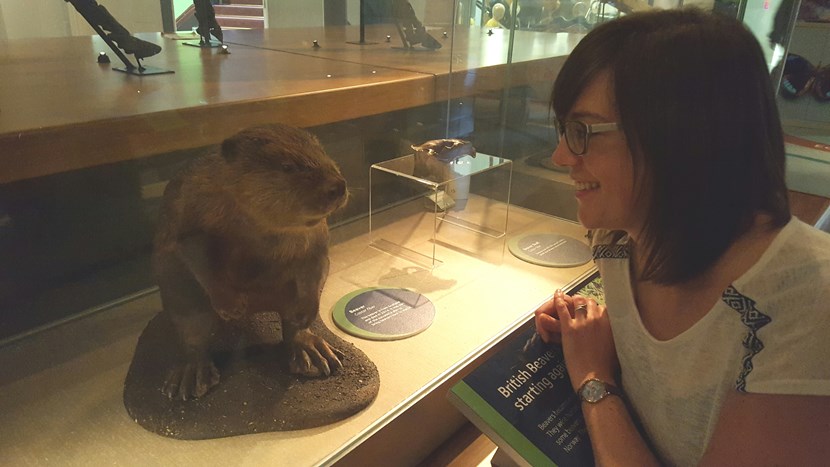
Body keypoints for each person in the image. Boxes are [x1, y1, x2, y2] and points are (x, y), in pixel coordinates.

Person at [534, 8, 830, 466]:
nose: (559, 156)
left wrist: (592, 376)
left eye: (582, 132)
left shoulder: (809, 300)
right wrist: (597, 329)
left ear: (679, 133)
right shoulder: (618, 240)